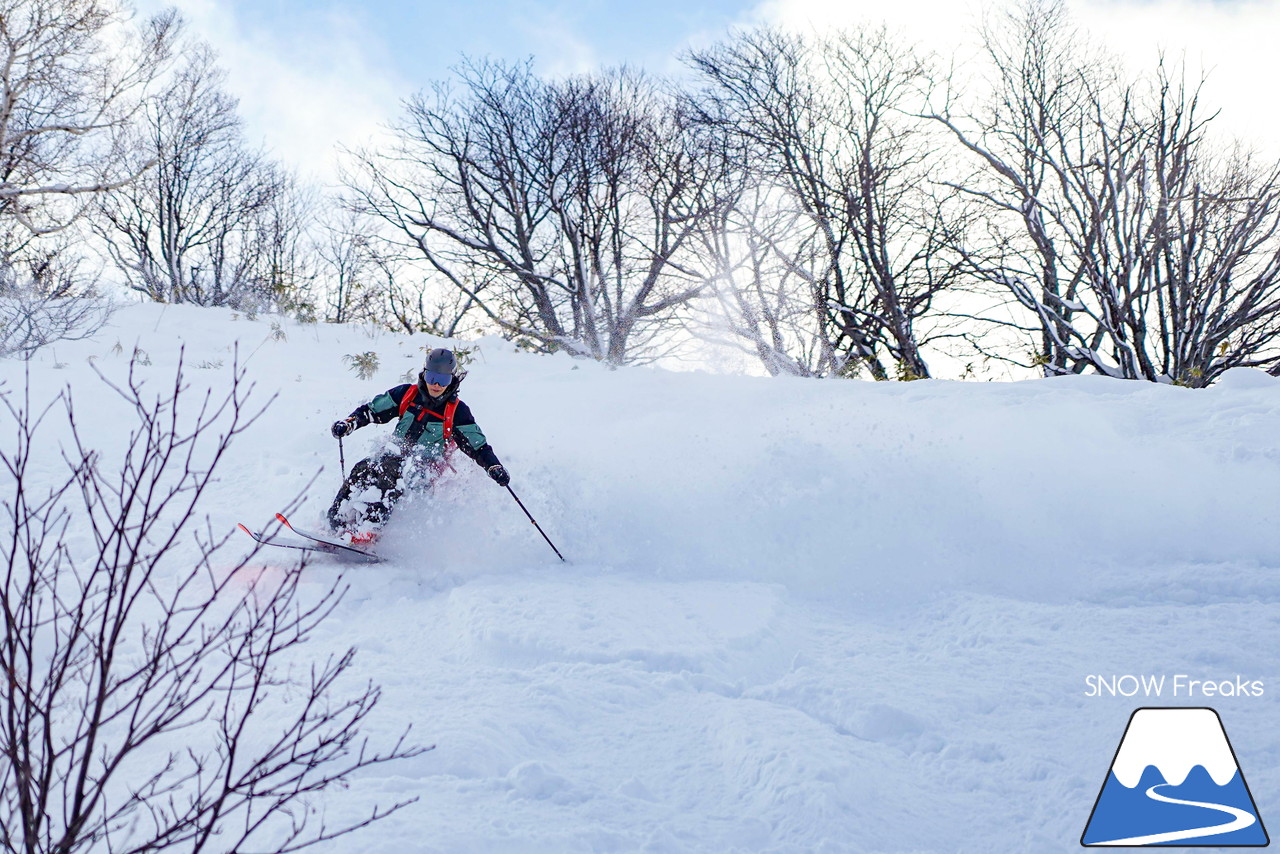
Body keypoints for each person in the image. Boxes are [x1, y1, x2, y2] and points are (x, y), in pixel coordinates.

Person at [326, 347, 509, 544]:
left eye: (443, 380)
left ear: (452, 380)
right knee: (364, 468)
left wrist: (494, 466)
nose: (436, 385)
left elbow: (478, 446)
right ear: (424, 373)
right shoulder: (407, 394)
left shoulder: (457, 411)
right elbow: (371, 411)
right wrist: (349, 423)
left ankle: (370, 529)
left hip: (425, 468)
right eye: (432, 378)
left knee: (391, 470)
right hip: (393, 455)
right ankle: (336, 524)